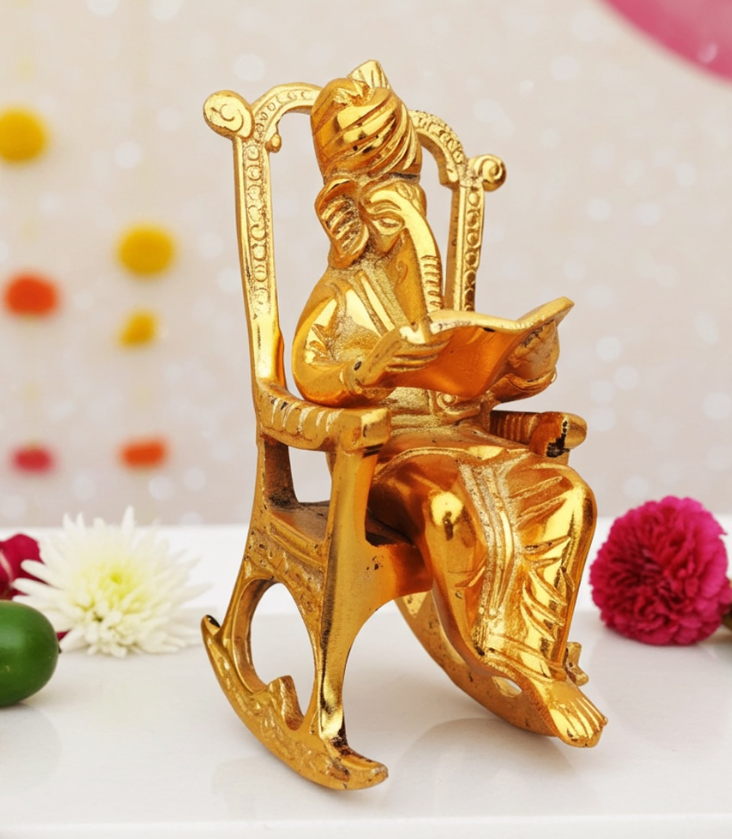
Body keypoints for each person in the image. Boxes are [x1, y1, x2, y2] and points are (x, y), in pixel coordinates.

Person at [292, 61, 605, 747]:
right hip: (387, 459)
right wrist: (366, 369)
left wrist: (526, 361)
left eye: (414, 202)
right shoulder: (342, 295)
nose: (408, 225)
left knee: (568, 494)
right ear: (345, 212)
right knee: (450, 508)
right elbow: (308, 371)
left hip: (469, 442)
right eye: (388, 210)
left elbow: (476, 385)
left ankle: (539, 649)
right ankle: (501, 649)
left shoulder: (438, 304)